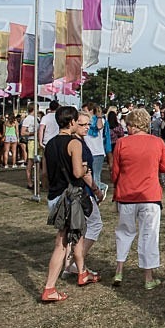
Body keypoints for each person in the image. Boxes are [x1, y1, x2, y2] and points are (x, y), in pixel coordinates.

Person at [41, 106, 103, 302]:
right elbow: (78, 173)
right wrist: (84, 166)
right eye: (77, 121)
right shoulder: (74, 143)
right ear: (71, 122)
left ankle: (82, 272)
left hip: (54, 195)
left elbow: (44, 174)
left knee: (77, 235)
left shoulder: (50, 144)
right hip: (68, 198)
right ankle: (49, 287)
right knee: (62, 243)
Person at [111, 108, 165, 290]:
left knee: (124, 232)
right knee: (149, 235)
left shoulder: (121, 143)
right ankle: (148, 277)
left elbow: (115, 172)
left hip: (126, 194)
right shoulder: (157, 142)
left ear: (132, 125)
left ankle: (119, 270)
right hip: (150, 196)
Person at [62, 111, 105, 280]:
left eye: (88, 124)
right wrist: (96, 189)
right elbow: (83, 172)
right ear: (73, 123)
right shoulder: (77, 143)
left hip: (71, 192)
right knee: (95, 224)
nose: (87, 127)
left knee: (74, 230)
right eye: (82, 124)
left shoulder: (76, 141)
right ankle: (74, 262)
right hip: (82, 192)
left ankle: (69, 264)